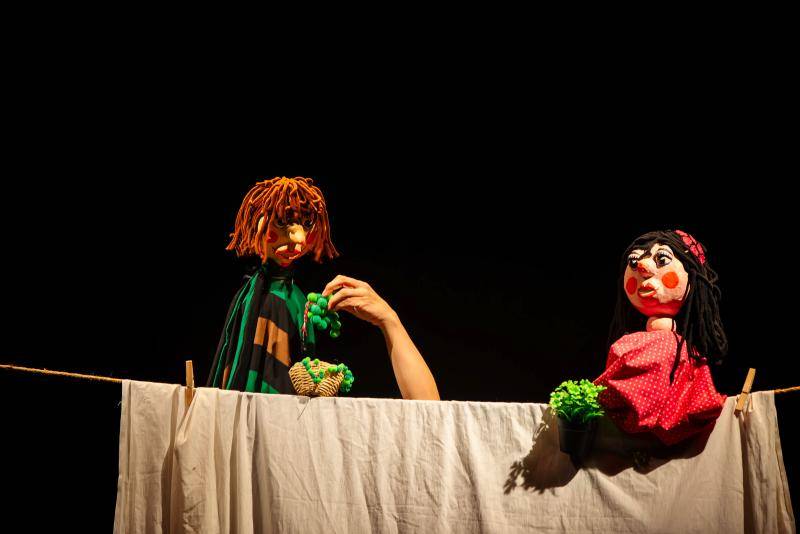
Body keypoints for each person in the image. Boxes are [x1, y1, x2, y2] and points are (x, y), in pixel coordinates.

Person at [206, 176, 439, 401]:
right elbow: (256, 374)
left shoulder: (296, 297)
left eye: (307, 224)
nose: (298, 238)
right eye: (282, 222)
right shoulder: (263, 298)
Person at [593, 229, 727, 445]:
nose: (642, 267)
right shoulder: (626, 343)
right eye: (633, 261)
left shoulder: (678, 348)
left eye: (662, 259)